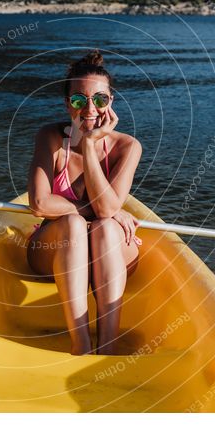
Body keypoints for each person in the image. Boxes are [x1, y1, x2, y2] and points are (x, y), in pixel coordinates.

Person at [27, 50, 143, 356]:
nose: (89, 109)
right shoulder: (51, 137)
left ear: (111, 103)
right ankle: (80, 344)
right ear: (68, 105)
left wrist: (90, 144)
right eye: (79, 100)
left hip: (109, 250)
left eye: (100, 100)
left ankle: (108, 344)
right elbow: (39, 203)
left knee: (104, 229)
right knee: (77, 224)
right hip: (57, 249)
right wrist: (102, 212)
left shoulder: (127, 146)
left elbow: (106, 212)